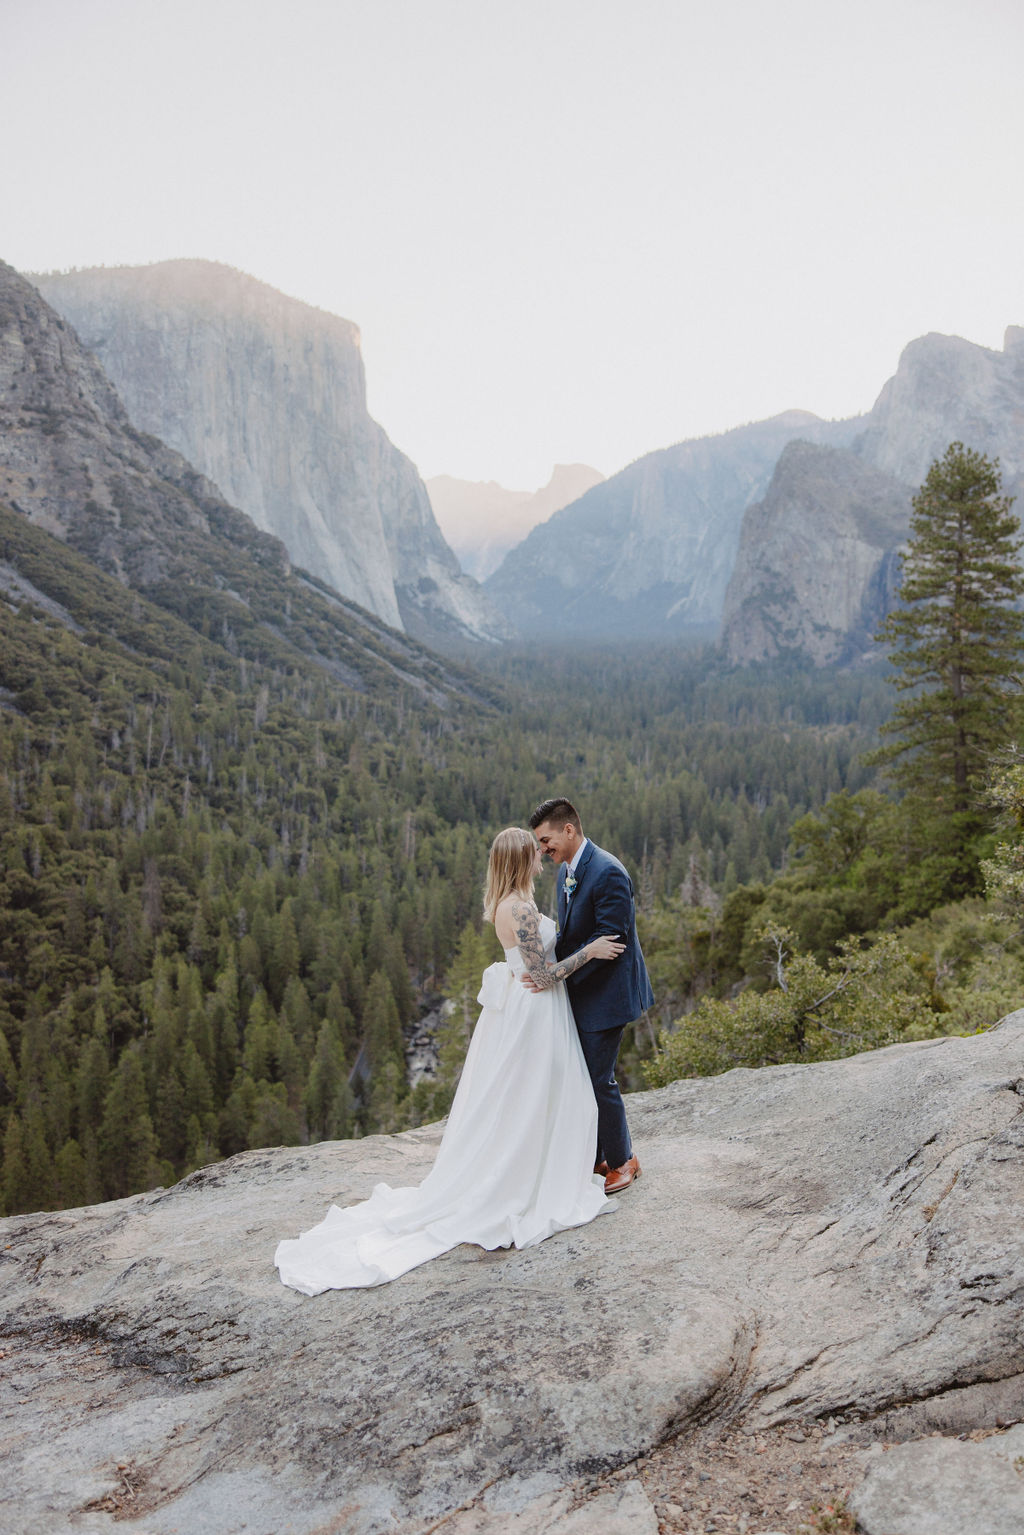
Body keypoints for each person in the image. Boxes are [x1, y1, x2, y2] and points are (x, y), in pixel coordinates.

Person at [274, 827, 625, 1294]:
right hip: (534, 1012)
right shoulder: (518, 909)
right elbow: (541, 975)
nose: (542, 858)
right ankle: (529, 1177)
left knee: (534, 1095)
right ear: (522, 861)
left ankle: (544, 1164)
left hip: (536, 1012)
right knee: (537, 1093)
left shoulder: (512, 902)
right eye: (534, 853)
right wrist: (590, 951)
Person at [527, 797, 654, 1194]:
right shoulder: (570, 868)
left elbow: (611, 942)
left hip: (607, 995)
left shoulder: (607, 871)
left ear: (569, 829)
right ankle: (597, 1154)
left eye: (546, 840)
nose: (543, 849)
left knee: (599, 1080)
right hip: (583, 993)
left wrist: (561, 976)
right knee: (584, 1077)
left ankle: (623, 1160)